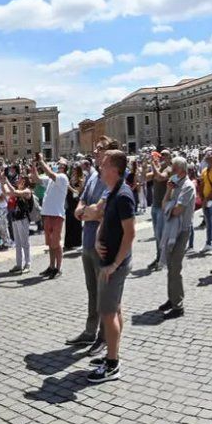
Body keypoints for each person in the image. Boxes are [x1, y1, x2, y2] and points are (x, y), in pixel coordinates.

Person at [66, 136, 120, 355]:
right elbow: (82, 201)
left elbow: (100, 210)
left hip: (103, 244)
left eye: (100, 148)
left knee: (104, 293)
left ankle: (103, 337)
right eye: (96, 148)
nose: (95, 151)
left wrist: (86, 212)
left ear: (111, 152)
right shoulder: (93, 176)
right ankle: (90, 331)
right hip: (87, 241)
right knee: (92, 291)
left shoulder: (112, 178)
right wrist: (83, 210)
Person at [86, 149, 135, 384]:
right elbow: (103, 219)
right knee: (114, 310)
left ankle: (112, 364)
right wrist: (98, 239)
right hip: (109, 261)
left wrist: (114, 264)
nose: (100, 168)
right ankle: (111, 354)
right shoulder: (113, 191)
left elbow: (130, 233)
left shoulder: (123, 195)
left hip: (114, 265)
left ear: (115, 169)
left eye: (104, 164)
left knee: (107, 313)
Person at [158, 156, 195, 319]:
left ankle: (178, 305)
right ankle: (171, 298)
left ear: (180, 169)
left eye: (173, 167)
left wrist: (169, 206)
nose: (170, 170)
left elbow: (177, 210)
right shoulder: (174, 183)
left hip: (181, 230)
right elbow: (163, 205)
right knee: (170, 267)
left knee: (175, 267)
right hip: (172, 228)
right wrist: (168, 191)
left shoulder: (187, 186)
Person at [36, 156, 69, 278]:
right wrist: (33, 166)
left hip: (57, 215)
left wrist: (41, 160)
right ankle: (51, 266)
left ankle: (58, 268)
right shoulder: (51, 179)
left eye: (60, 163)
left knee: (56, 243)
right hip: (48, 213)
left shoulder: (63, 177)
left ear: (64, 167)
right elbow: (37, 179)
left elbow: (50, 173)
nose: (58, 164)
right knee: (50, 244)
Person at [0, 174, 34, 273]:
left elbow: (14, 192)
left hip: (23, 219)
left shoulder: (27, 191)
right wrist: (2, 183)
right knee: (18, 243)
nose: (17, 180)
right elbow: (6, 192)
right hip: (15, 218)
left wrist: (7, 181)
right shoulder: (17, 190)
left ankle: (27, 264)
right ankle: (19, 264)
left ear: (24, 182)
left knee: (25, 243)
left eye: (20, 179)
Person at [146, 151, 171, 270]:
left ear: (169, 157)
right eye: (161, 155)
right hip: (155, 205)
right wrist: (144, 167)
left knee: (161, 234)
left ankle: (163, 259)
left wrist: (153, 165)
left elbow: (160, 177)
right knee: (157, 234)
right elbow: (145, 177)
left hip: (163, 206)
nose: (162, 157)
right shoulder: (158, 167)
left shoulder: (169, 169)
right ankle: (159, 257)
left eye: (165, 155)